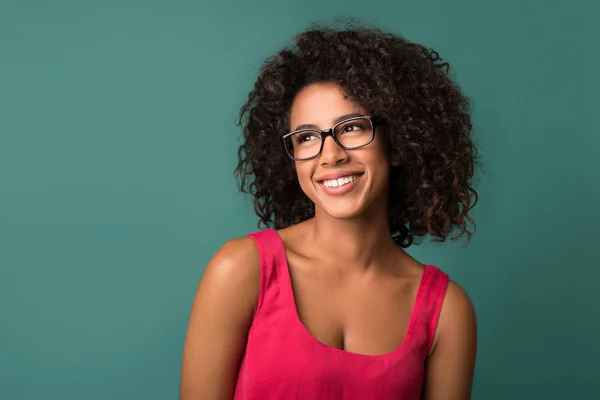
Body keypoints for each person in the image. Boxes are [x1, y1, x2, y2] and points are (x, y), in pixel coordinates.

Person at [180, 23, 479, 400]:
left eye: (351, 127)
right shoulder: (240, 271)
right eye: (306, 138)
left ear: (400, 143)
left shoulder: (447, 311)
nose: (330, 155)